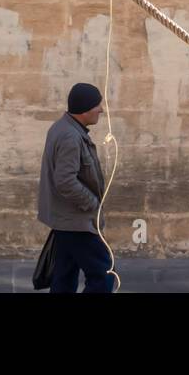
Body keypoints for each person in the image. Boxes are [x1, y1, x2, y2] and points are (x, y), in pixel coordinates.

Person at [37, 82, 115, 293]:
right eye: (97, 105)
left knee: (64, 278)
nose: (101, 109)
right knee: (103, 275)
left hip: (66, 221)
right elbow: (65, 181)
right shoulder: (70, 136)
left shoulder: (63, 127)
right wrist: (92, 204)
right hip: (77, 222)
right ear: (85, 109)